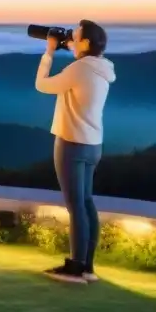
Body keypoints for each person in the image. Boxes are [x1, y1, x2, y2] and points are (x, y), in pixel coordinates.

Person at [36, 20, 116, 284]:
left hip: (71, 143)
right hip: (94, 144)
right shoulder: (102, 68)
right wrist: (71, 44)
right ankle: (88, 267)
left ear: (86, 43)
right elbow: (83, 61)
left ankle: (75, 267)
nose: (71, 36)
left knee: (75, 207)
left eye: (76, 35)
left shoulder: (79, 68)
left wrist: (49, 51)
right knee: (87, 203)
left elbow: (42, 85)